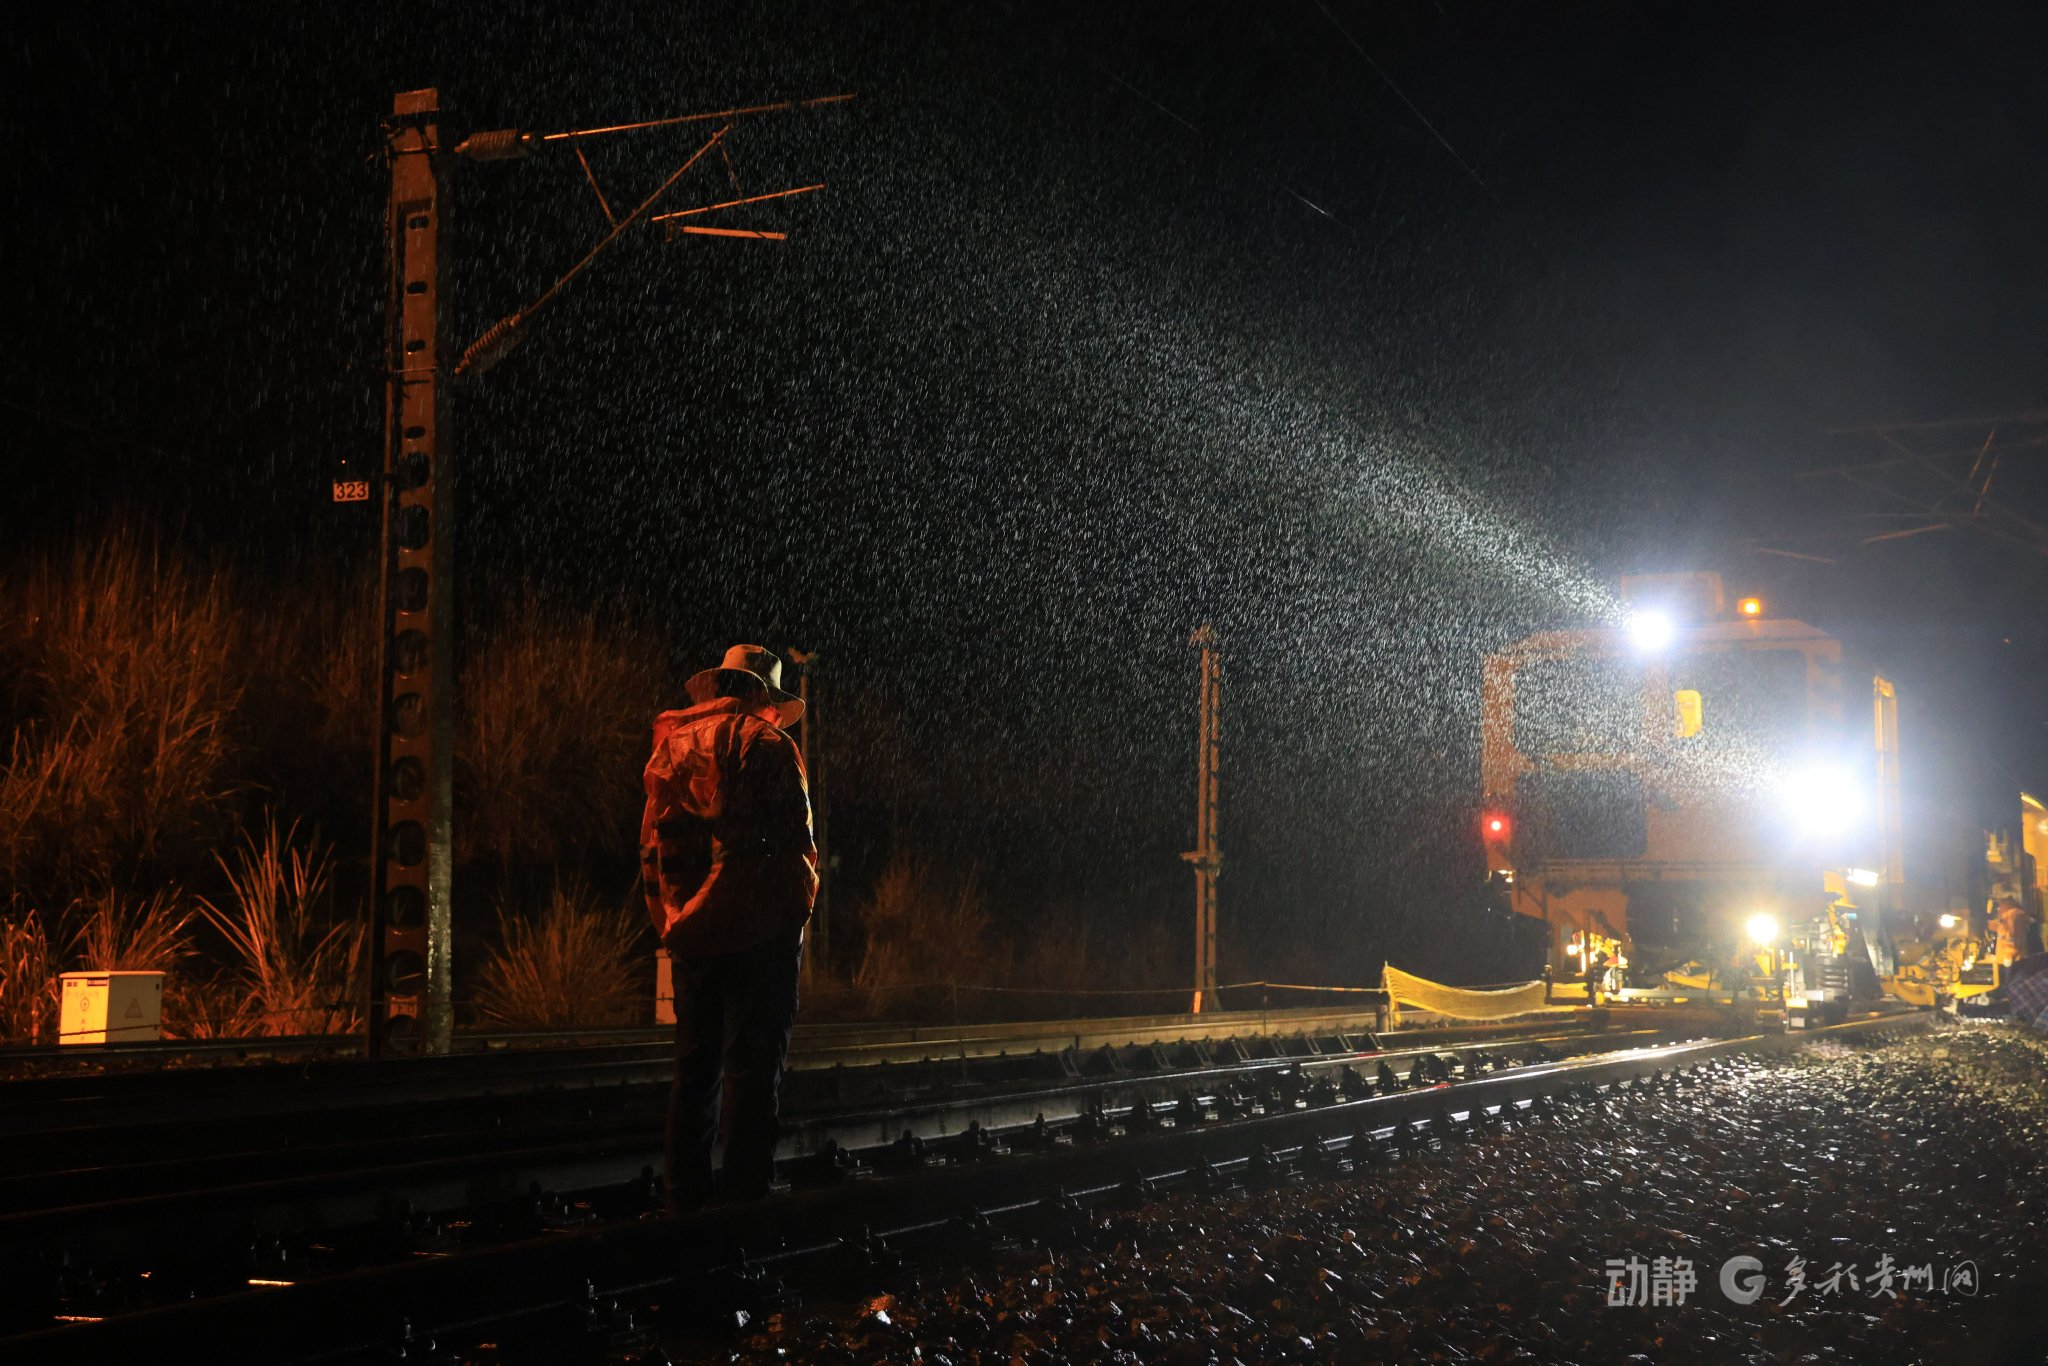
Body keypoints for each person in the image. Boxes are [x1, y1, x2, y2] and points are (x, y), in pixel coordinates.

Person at [640, 643, 818, 1212]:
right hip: (760, 934)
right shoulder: (770, 746)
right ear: (763, 695)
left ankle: (683, 1200)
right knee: (751, 1069)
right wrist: (792, 920)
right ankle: (744, 1203)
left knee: (695, 1071)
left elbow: (653, 847)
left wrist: (675, 921)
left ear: (719, 687)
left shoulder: (672, 748)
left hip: (692, 934)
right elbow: (794, 851)